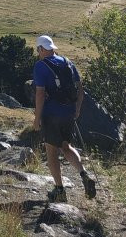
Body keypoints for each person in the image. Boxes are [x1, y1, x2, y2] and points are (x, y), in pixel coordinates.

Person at [33, 34, 96, 202]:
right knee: (66, 146)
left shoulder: (40, 66)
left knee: (51, 150)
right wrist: (76, 110)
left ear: (41, 49)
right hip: (68, 112)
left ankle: (59, 189)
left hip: (51, 114)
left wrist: (37, 118)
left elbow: (40, 94)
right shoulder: (68, 62)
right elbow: (80, 88)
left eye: (37, 49)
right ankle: (83, 174)